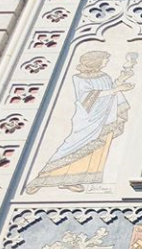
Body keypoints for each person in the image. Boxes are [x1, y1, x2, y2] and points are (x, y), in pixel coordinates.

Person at [25, 51, 134, 194]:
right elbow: (87, 97)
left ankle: (73, 180)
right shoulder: (79, 78)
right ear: (95, 61)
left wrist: (122, 79)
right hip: (87, 118)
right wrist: (116, 89)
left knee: (98, 147)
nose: (106, 62)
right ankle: (42, 179)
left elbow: (109, 89)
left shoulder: (105, 76)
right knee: (73, 145)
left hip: (106, 116)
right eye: (104, 60)